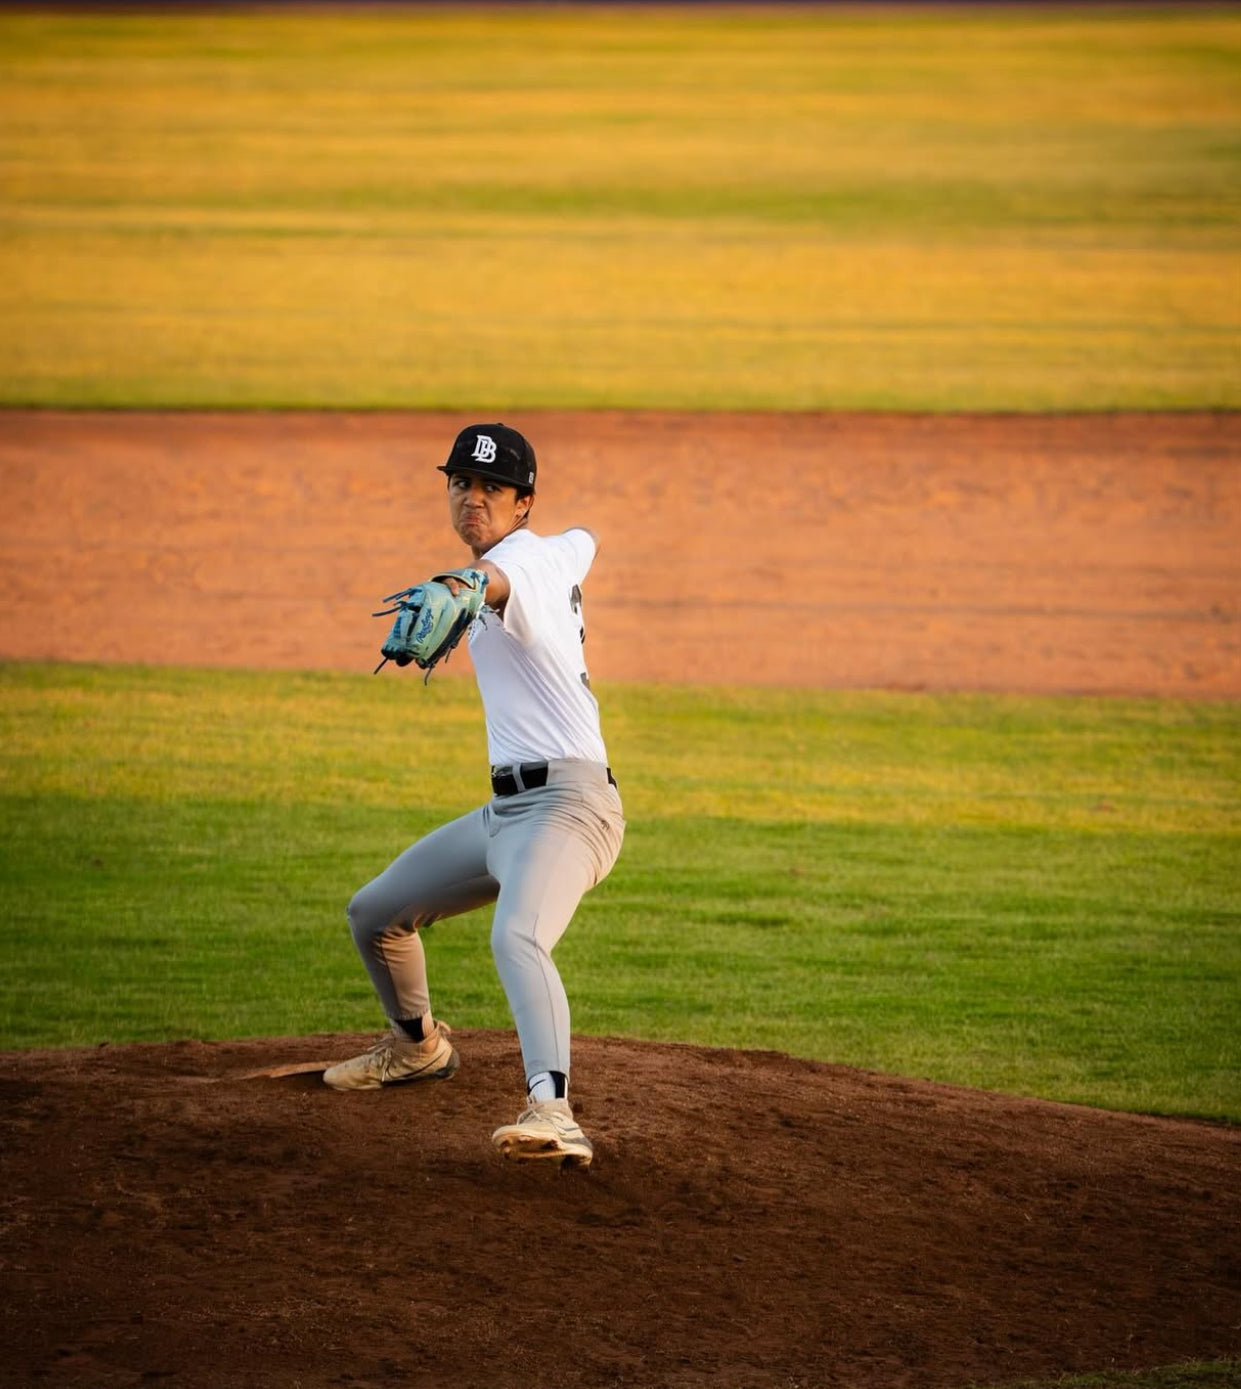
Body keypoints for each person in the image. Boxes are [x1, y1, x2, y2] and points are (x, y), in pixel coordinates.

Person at [323, 422, 624, 1169]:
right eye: (461, 483)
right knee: (375, 914)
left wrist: (464, 584)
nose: (473, 498)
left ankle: (553, 1111)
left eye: (492, 488)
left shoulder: (518, 562)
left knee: (515, 936)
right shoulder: (554, 550)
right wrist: (513, 563)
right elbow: (581, 539)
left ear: (522, 502)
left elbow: (494, 580)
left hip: (570, 808)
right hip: (506, 815)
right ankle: (416, 1048)